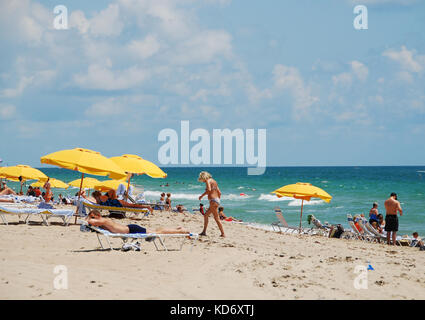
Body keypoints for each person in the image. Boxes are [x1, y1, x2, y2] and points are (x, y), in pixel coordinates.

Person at [86, 210, 189, 234]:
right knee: (156, 230)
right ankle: (177, 229)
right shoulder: (102, 221)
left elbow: (91, 222)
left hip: (131, 229)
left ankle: (180, 230)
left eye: (93, 217)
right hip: (130, 228)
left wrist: (88, 219)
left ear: (98, 215)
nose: (92, 219)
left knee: (157, 232)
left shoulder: (103, 220)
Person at [198, 171, 225, 238]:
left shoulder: (208, 181)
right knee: (206, 215)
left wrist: (201, 196)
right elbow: (219, 192)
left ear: (204, 177)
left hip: (213, 201)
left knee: (216, 218)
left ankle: (223, 234)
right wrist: (217, 201)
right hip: (216, 200)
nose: (203, 181)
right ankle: (204, 232)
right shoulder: (214, 181)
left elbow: (209, 190)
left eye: (202, 179)